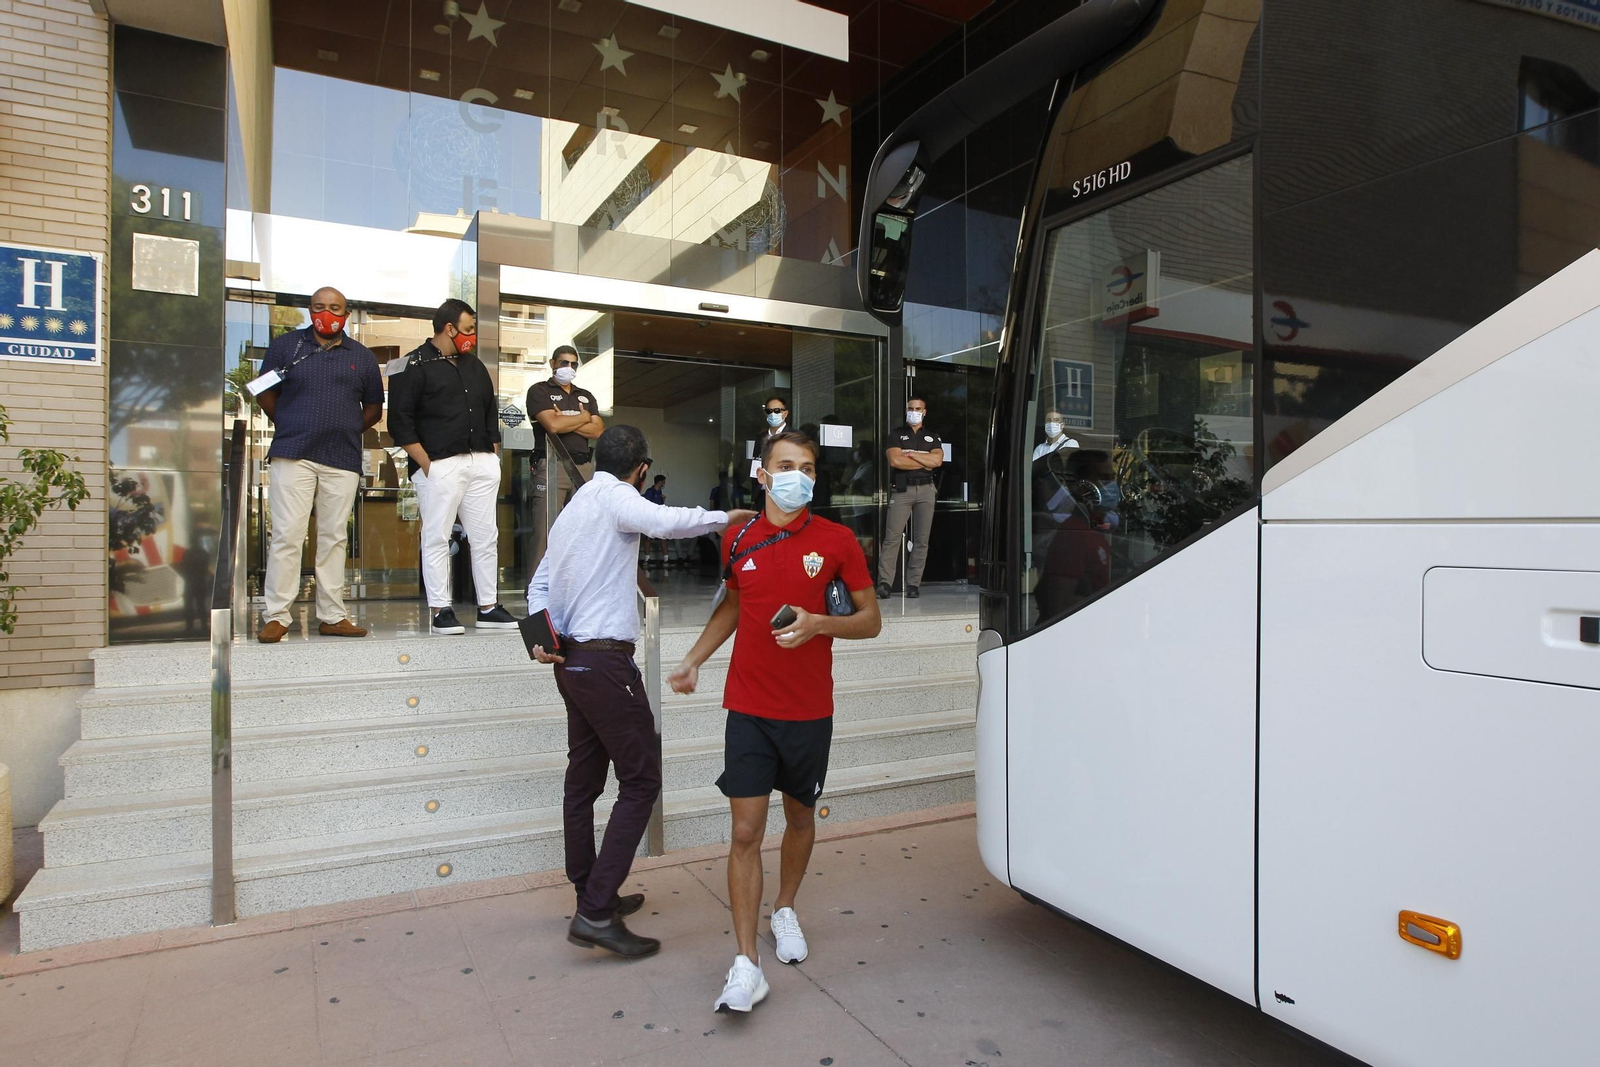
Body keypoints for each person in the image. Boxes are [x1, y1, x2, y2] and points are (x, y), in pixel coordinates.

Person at [668, 431, 881, 1014]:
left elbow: (870, 620)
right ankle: (745, 964)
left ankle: (784, 907)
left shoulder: (837, 540)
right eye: (786, 465)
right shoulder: (737, 536)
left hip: (809, 708)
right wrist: (693, 658)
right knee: (744, 831)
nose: (798, 475)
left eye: (807, 467)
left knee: (800, 817)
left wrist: (819, 624)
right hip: (749, 706)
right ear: (762, 474)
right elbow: (736, 602)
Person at [527, 425, 754, 958]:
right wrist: (726, 517)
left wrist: (540, 640)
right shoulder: (618, 498)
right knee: (642, 780)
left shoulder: (577, 506)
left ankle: (591, 890)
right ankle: (596, 911)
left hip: (571, 663)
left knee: (583, 781)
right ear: (642, 470)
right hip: (605, 664)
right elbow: (666, 523)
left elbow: (539, 583)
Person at [256, 286, 384, 643]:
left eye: (335, 308)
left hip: (341, 458)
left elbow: (373, 408)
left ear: (346, 313)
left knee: (333, 537)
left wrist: (343, 428)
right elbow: (263, 390)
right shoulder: (287, 346)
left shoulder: (362, 356)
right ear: (310, 310)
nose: (327, 313)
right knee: (287, 534)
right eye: (319, 307)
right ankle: (277, 616)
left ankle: (332, 615)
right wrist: (289, 421)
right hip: (293, 452)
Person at [387, 298, 518, 635]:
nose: (472, 336)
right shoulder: (411, 364)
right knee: (437, 538)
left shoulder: (475, 366)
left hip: (481, 463)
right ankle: (440, 610)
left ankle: (488, 607)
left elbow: (490, 413)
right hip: (439, 465)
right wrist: (427, 465)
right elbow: (399, 423)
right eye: (469, 329)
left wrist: (493, 457)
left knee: (486, 536)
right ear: (449, 328)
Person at [877, 396, 942, 599]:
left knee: (922, 539)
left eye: (917, 408)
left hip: (926, 490)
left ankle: (914, 584)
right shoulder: (896, 435)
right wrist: (924, 461)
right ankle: (885, 583)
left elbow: (937, 461)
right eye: (910, 408)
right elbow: (896, 460)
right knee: (892, 537)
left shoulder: (932, 436)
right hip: (902, 490)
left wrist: (910, 455)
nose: (913, 411)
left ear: (924, 412)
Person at [527, 344, 604, 512]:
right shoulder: (539, 391)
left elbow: (598, 431)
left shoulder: (585, 395)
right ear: (552, 363)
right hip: (552, 465)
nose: (569, 368)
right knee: (546, 529)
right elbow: (553, 426)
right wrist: (583, 418)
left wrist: (565, 418)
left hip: (583, 466)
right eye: (564, 363)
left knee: (582, 527)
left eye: (573, 364)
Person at [642, 474, 668, 564]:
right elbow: (646, 505)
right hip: (651, 518)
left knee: (663, 537)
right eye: (663, 482)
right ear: (659, 482)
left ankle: (666, 559)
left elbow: (660, 506)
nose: (664, 484)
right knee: (648, 538)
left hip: (659, 518)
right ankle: (647, 559)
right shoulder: (650, 492)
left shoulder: (659, 492)